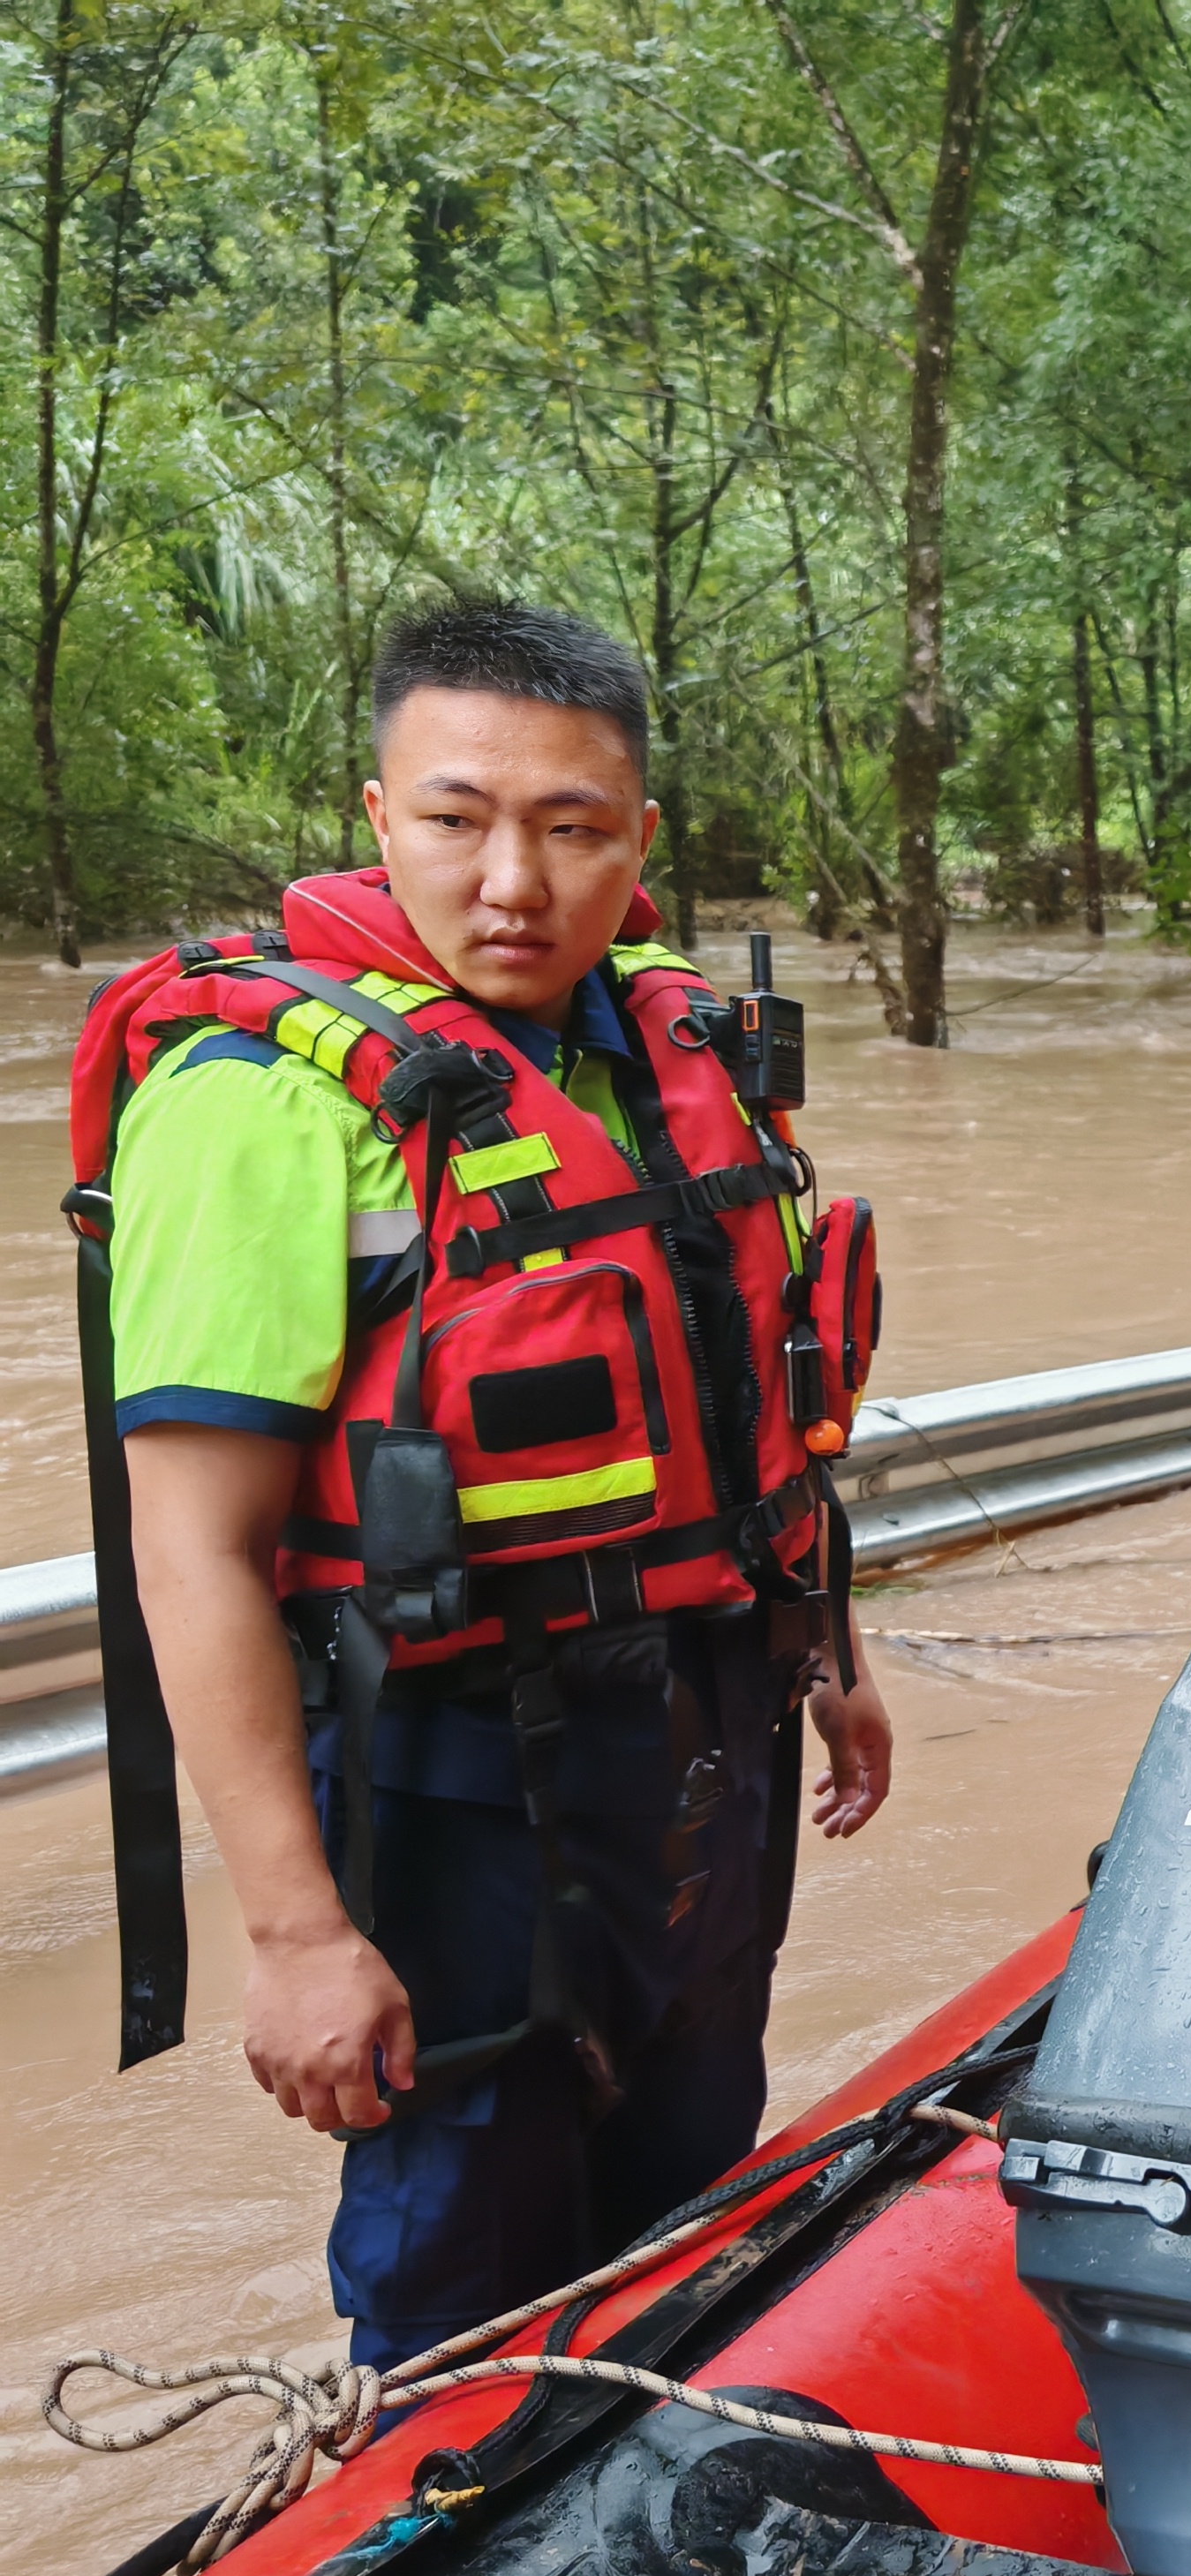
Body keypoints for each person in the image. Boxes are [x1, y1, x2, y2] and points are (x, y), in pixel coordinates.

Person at [78, 600, 892, 2369]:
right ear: (376, 819)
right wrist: (296, 1935)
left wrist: (826, 1646)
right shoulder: (265, 1105)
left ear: (638, 842)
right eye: (456, 819)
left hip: (701, 1740)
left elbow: (755, 1393)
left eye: (570, 827)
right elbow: (192, 1551)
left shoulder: (671, 1053)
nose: (511, 881)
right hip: (449, 1788)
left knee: (690, 2190)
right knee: (464, 2268)